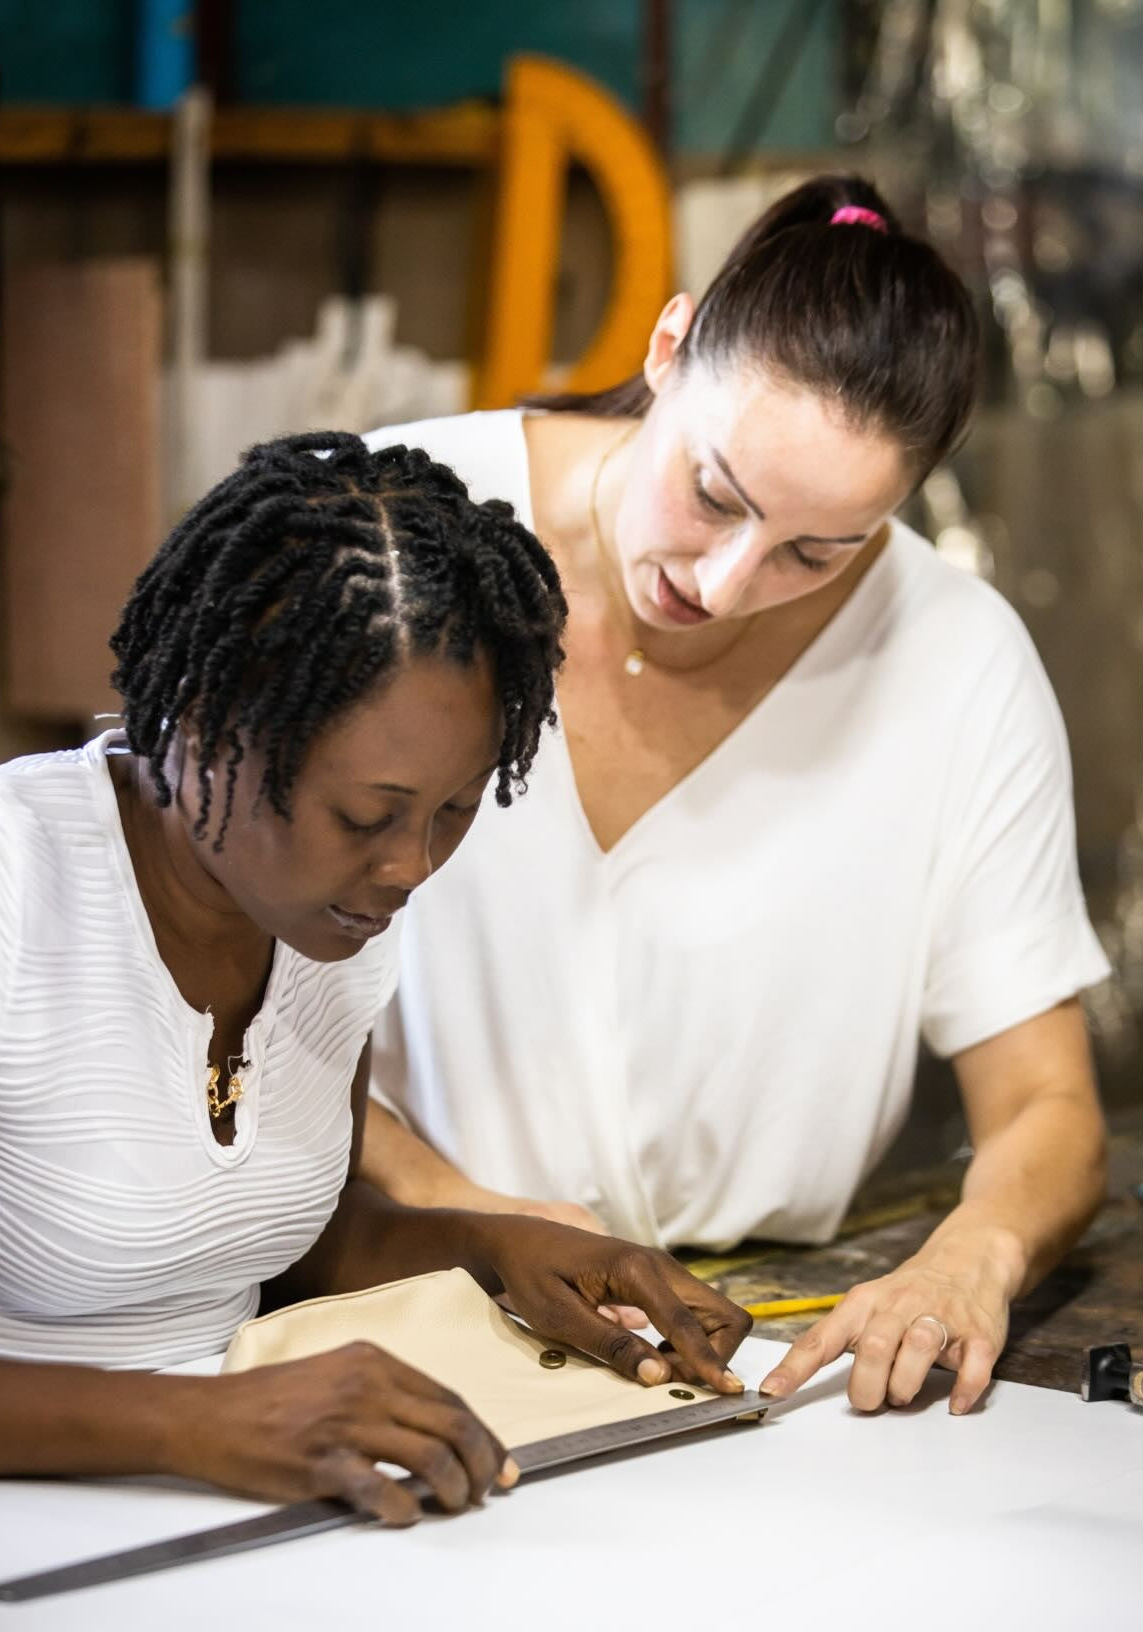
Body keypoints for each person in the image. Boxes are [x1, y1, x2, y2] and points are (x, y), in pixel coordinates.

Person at [358, 175, 1110, 1419]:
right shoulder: (396, 533)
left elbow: (1045, 1104)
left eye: (819, 551)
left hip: (760, 1331)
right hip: (404, 1281)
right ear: (667, 345)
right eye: (715, 493)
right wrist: (457, 1208)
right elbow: (230, 986)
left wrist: (973, 1256)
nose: (724, 579)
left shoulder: (953, 660)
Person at [0, 431, 751, 1526]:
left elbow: (273, 1234)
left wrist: (502, 1248)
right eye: (367, 816)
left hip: (223, 1514)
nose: (411, 868)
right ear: (200, 729)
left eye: (457, 809)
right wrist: (192, 1426)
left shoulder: (330, 915)